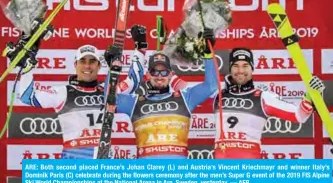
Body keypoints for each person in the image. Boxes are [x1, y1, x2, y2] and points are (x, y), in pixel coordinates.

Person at [5, 25, 148, 159]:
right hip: (73, 165)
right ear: (75, 65)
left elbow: (133, 81)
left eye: (92, 61)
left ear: (99, 66)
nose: (87, 65)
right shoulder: (63, 93)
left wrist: (140, 47)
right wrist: (26, 69)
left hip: (104, 164)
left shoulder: (108, 93)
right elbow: (26, 96)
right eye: (82, 61)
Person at [112, 32, 218, 159]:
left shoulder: (185, 97)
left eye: (164, 72)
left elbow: (211, 85)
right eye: (154, 72)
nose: (159, 76)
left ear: (170, 75)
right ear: (148, 75)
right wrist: (112, 69)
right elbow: (109, 98)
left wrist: (208, 54)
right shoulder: (134, 102)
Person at [213, 47, 326, 159]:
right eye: (236, 66)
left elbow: (299, 115)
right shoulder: (218, 94)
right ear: (230, 69)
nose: (240, 71)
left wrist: (311, 96)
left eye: (245, 66)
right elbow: (202, 89)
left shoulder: (264, 97)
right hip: (222, 171)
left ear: (252, 68)